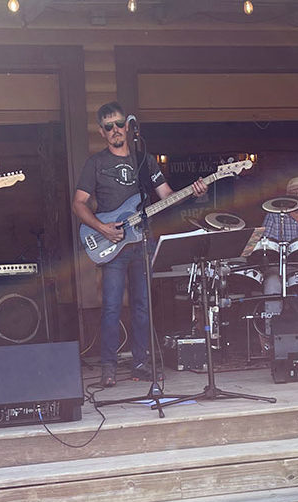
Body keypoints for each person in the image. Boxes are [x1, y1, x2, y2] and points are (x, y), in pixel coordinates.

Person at [73, 101, 206, 387]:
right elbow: (79, 203)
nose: (116, 130)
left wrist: (194, 193)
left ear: (128, 126)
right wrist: (102, 228)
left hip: (142, 242)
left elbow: (166, 195)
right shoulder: (95, 164)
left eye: (120, 124)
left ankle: (141, 362)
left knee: (142, 305)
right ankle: (108, 366)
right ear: (101, 131)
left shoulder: (145, 160)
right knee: (110, 306)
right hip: (113, 244)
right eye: (108, 127)